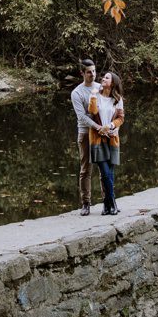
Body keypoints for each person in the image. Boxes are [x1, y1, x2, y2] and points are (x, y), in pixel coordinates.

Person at [87, 71, 125, 215]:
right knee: (105, 171)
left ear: (113, 83)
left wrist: (111, 126)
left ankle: (106, 205)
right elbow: (92, 111)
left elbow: (120, 118)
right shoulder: (96, 95)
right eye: (103, 77)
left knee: (110, 172)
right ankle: (112, 202)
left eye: (107, 78)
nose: (103, 78)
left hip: (112, 138)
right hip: (97, 138)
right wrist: (93, 95)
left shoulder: (117, 99)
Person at [69, 59, 99, 216]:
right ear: (82, 73)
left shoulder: (100, 88)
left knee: (104, 166)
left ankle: (108, 201)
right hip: (85, 133)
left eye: (94, 71)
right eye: (89, 72)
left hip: (101, 133)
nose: (92, 74)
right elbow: (81, 117)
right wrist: (98, 126)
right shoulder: (77, 93)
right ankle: (86, 203)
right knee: (85, 169)